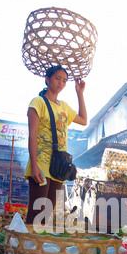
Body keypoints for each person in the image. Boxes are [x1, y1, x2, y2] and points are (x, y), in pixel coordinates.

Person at [24, 65, 87, 225]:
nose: (61, 82)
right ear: (47, 79)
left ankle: (38, 246)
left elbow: (84, 120)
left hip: (59, 166)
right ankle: (27, 247)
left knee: (48, 213)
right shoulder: (38, 102)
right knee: (36, 212)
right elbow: (32, 135)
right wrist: (34, 166)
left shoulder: (64, 106)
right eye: (58, 78)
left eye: (64, 80)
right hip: (41, 163)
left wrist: (80, 93)